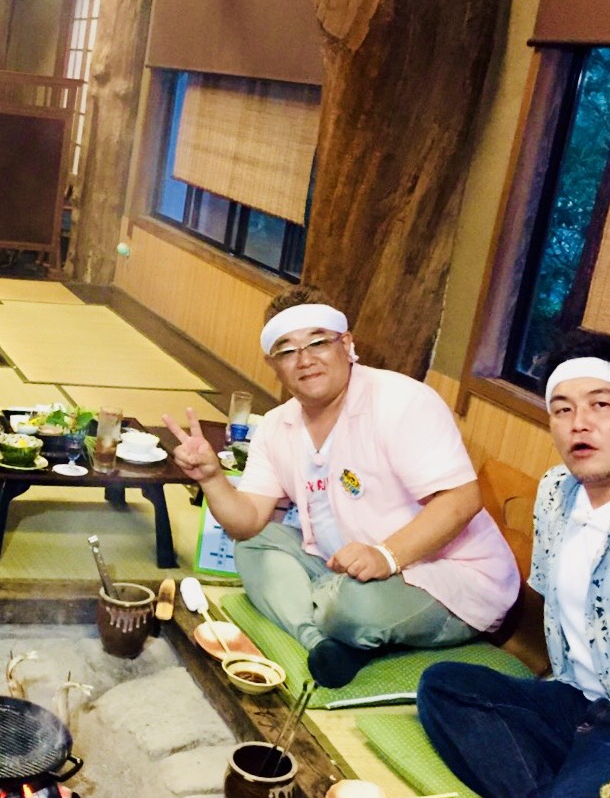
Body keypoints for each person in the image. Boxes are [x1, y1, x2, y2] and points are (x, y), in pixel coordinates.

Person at [417, 330, 610, 798]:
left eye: (600, 405)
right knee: (444, 686)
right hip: (573, 699)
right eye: (562, 409)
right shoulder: (557, 490)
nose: (577, 423)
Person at [165, 287, 519, 687]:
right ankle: (321, 642)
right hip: (343, 565)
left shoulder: (401, 401)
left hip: (449, 578)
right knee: (254, 546)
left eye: (318, 342)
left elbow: (462, 499)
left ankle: (333, 617)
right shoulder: (278, 426)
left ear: (347, 344)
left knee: (348, 607)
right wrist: (212, 478)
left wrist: (386, 556)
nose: (305, 359)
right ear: (273, 364)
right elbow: (245, 523)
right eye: (287, 350)